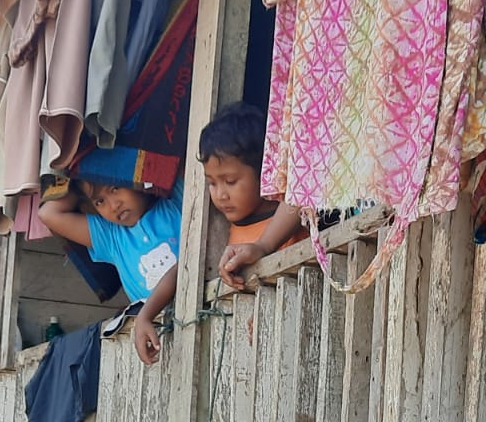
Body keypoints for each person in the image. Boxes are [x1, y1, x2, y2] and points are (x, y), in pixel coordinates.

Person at [40, 179, 182, 366]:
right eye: (99, 201)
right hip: (163, 347)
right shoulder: (112, 237)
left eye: (115, 188)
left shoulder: (177, 202)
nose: (113, 206)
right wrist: (81, 182)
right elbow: (48, 213)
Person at [199, 101, 305, 291]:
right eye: (212, 183)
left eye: (230, 181)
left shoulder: (290, 219)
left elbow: (302, 195)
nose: (221, 195)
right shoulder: (225, 233)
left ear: (264, 172)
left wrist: (263, 246)